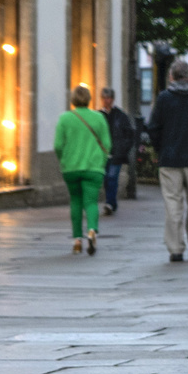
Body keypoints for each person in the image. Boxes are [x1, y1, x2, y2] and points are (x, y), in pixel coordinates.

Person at [147, 60, 188, 263]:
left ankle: (175, 248)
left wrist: (159, 148)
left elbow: (154, 127)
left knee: (173, 204)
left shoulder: (164, 98)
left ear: (172, 77)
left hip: (170, 159)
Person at [54, 84, 111, 256]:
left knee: (76, 201)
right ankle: (92, 230)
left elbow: (57, 145)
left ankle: (77, 240)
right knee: (91, 202)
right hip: (93, 168)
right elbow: (107, 144)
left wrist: (64, 160)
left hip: (71, 168)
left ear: (73, 100)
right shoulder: (99, 118)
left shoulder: (65, 118)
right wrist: (100, 162)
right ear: (89, 99)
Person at [98, 87, 135, 215]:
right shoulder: (98, 115)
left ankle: (110, 203)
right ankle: (111, 202)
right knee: (106, 179)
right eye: (104, 98)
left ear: (112, 99)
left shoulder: (120, 116)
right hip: (102, 154)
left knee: (112, 177)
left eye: (108, 98)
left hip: (116, 153)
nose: (106, 101)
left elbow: (129, 134)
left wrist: (123, 149)